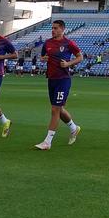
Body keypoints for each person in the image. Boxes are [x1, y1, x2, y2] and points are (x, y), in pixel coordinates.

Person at [32, 19, 81, 150]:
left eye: (56, 28)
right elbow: (42, 57)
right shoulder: (47, 43)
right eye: (52, 28)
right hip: (51, 79)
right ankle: (74, 128)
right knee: (59, 109)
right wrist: (44, 59)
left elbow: (80, 57)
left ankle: (47, 142)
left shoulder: (68, 43)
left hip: (63, 79)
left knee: (55, 110)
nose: (53, 30)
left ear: (62, 29)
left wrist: (68, 64)